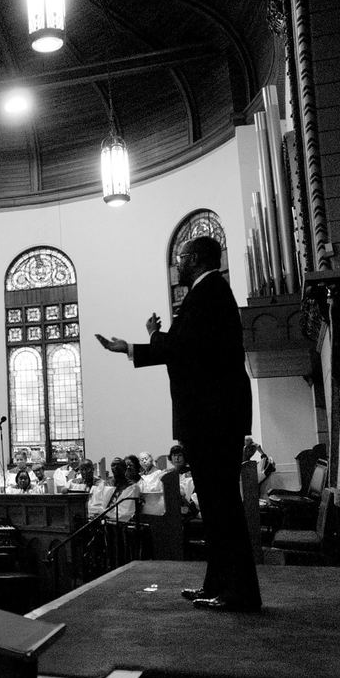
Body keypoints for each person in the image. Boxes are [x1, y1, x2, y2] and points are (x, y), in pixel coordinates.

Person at [96, 234, 260, 612]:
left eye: (182, 257)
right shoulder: (208, 293)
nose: (178, 264)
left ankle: (241, 592)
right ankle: (218, 583)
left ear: (198, 259)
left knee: (222, 507)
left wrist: (146, 341)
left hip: (213, 419)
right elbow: (187, 347)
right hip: (211, 418)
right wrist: (139, 346)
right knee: (216, 508)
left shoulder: (210, 292)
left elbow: (185, 348)